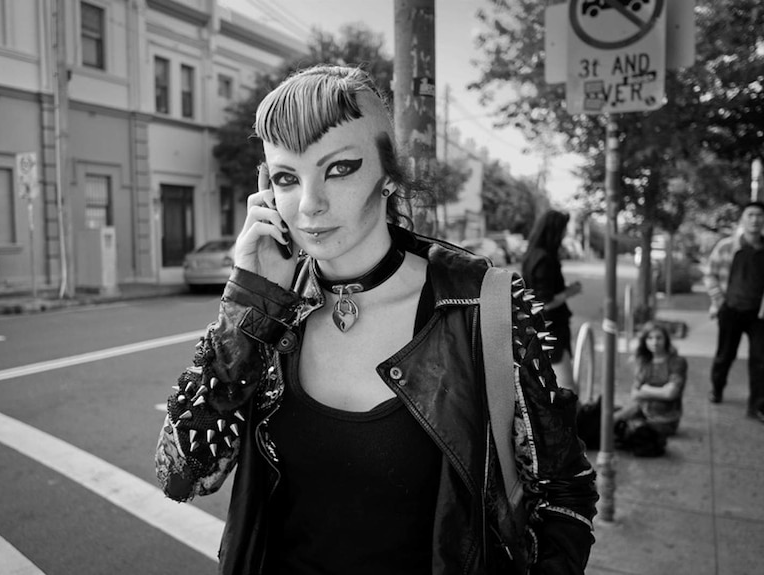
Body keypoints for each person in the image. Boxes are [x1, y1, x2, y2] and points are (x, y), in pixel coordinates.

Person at [155, 64, 597, 574]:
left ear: (389, 173)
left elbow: (564, 494)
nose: (310, 205)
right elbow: (183, 475)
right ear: (265, 189)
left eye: (338, 168)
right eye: (286, 178)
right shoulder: (267, 310)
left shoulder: (482, 306)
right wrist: (248, 306)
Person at [705, 201, 764, 424]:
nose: (755, 219)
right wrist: (719, 301)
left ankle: (758, 407)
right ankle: (717, 388)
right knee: (725, 355)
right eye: (750, 214)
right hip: (730, 310)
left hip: (760, 315)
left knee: (760, 360)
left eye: (759, 215)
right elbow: (710, 274)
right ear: (743, 218)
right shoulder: (725, 246)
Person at [521, 210, 583, 394]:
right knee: (567, 388)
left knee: (549, 388)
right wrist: (570, 292)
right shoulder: (545, 258)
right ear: (554, 230)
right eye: (563, 229)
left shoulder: (532, 255)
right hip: (551, 328)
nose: (564, 234)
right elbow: (545, 302)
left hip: (539, 328)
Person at [614, 321, 688, 438]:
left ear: (666, 339)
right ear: (645, 341)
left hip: (665, 419)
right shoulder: (644, 362)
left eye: (659, 338)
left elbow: (670, 393)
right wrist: (660, 390)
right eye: (650, 338)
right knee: (611, 421)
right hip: (641, 410)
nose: (654, 342)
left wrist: (646, 389)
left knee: (632, 432)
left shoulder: (677, 362)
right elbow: (634, 394)